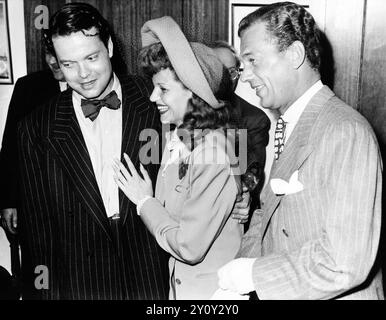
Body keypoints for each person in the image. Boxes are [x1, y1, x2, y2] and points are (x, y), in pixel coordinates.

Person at [216, 2, 383, 299]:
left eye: (254, 60)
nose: (246, 75)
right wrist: (237, 275)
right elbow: (267, 216)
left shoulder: (345, 131)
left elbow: (343, 263)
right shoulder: (289, 123)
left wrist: (253, 275)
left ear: (294, 54)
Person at [16, 3, 169, 299]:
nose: (83, 74)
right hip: (81, 277)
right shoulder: (35, 129)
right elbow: (37, 236)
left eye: (91, 57)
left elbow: (219, 124)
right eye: (68, 64)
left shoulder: (156, 97)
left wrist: (240, 184)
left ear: (109, 46)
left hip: (152, 265)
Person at [113, 16, 244, 300]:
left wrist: (144, 202)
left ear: (194, 94)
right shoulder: (180, 140)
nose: (151, 97)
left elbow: (189, 247)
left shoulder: (212, 152)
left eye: (163, 89)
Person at [212, 40, 270, 221]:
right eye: (217, 71)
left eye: (231, 72)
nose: (225, 79)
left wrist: (245, 194)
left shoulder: (253, 119)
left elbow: (252, 170)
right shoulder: (182, 110)